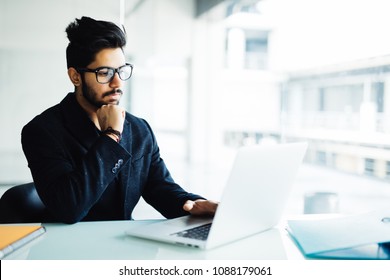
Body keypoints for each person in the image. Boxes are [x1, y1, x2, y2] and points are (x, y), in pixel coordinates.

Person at [21, 16, 217, 224]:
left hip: (124, 245)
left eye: (121, 71)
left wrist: (195, 205)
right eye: (104, 73)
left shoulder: (139, 129)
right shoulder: (42, 131)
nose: (117, 83)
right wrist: (111, 136)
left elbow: (161, 189)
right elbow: (69, 208)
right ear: (75, 77)